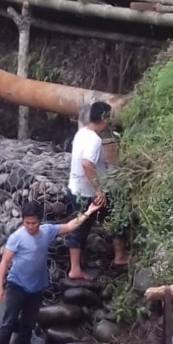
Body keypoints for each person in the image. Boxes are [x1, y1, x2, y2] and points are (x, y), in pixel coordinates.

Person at [0, 198, 102, 344]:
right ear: (22, 220)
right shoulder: (17, 238)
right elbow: (5, 262)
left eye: (34, 223)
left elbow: (70, 226)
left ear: (40, 221)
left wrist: (89, 212)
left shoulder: (47, 231)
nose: (30, 226)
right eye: (27, 223)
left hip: (36, 287)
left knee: (28, 324)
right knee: (8, 322)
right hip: (16, 284)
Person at [66, 100, 128, 281]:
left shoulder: (82, 133)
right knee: (103, 222)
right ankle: (75, 269)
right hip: (89, 194)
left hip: (76, 189)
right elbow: (86, 164)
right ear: (104, 118)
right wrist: (99, 190)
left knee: (88, 224)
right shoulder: (94, 140)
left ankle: (118, 256)